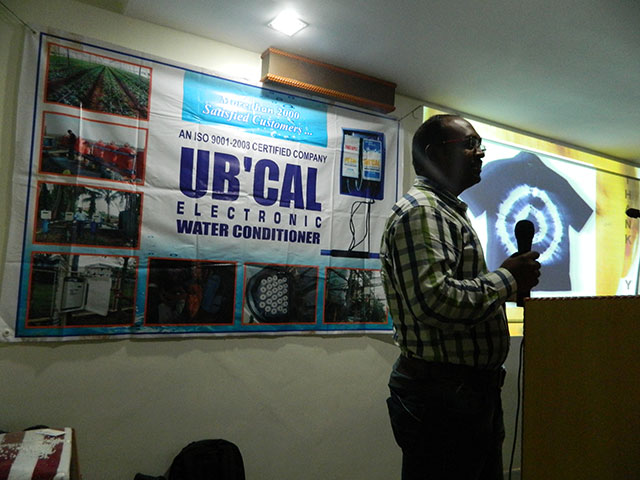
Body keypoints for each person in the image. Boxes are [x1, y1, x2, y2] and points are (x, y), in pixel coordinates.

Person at [380, 114, 541, 480]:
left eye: (479, 144)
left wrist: (506, 280)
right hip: (442, 399)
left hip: (462, 395)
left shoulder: (444, 211)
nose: (480, 152)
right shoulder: (423, 211)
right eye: (470, 144)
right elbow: (435, 301)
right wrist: (507, 279)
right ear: (434, 153)